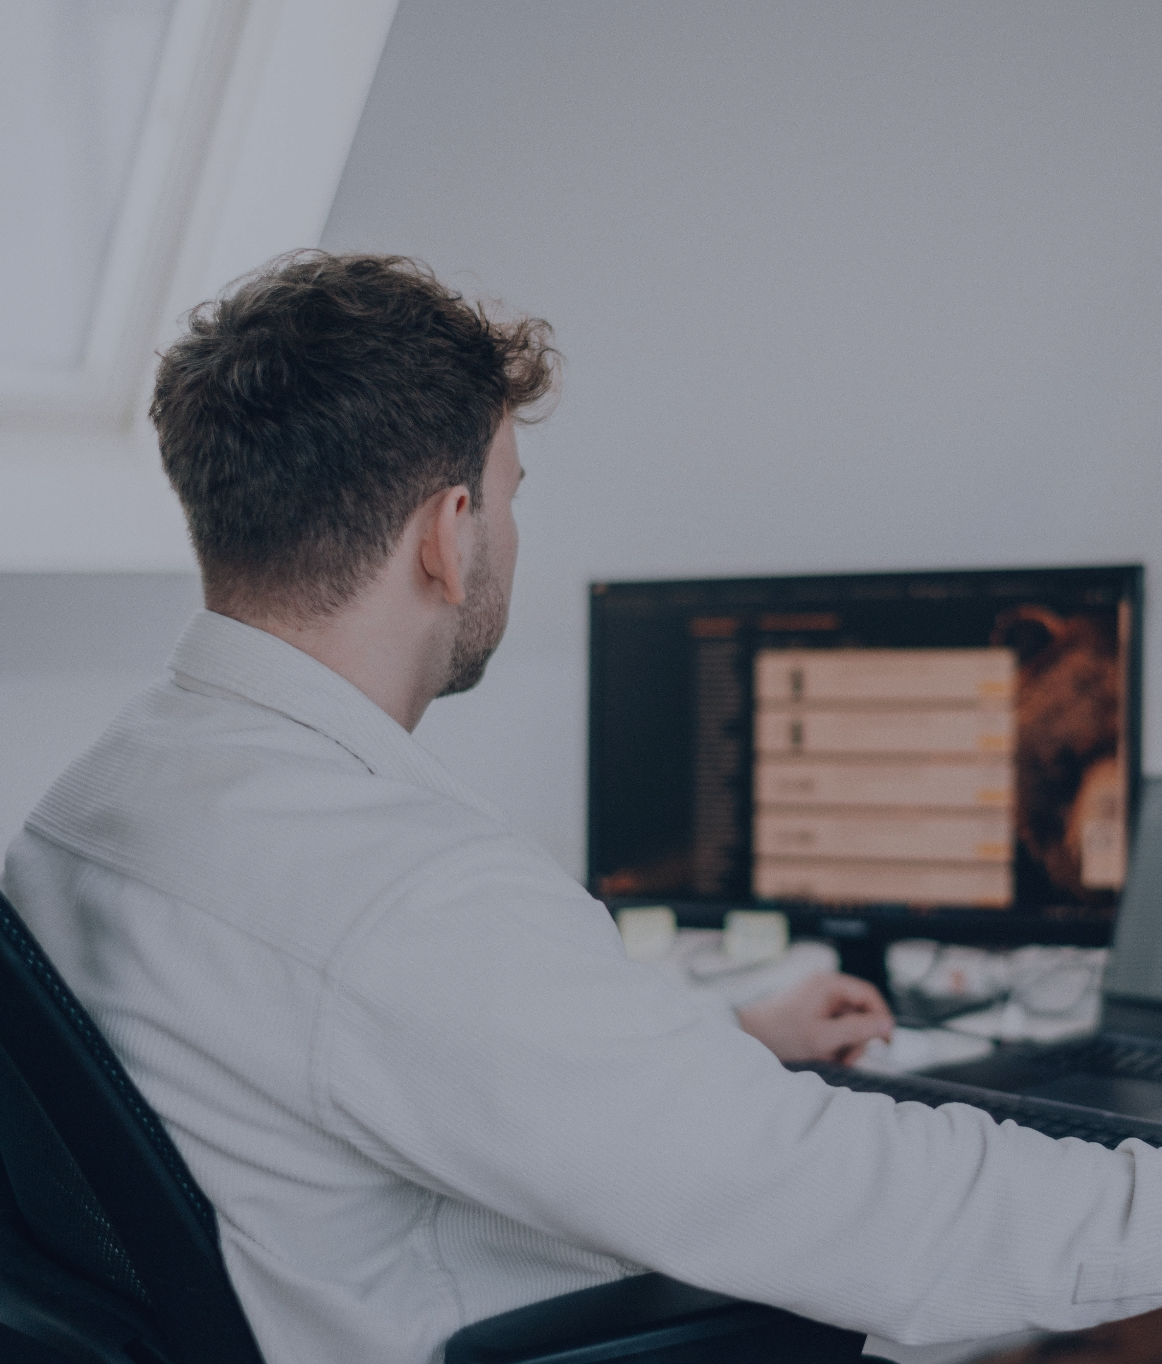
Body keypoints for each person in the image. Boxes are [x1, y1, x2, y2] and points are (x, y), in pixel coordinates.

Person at [4, 253, 1161, 1364]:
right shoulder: (408, 891)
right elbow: (851, 1202)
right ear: (448, 536)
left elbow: (378, 1056)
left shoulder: (106, 788)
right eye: (508, 497)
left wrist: (726, 1046)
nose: (508, 531)